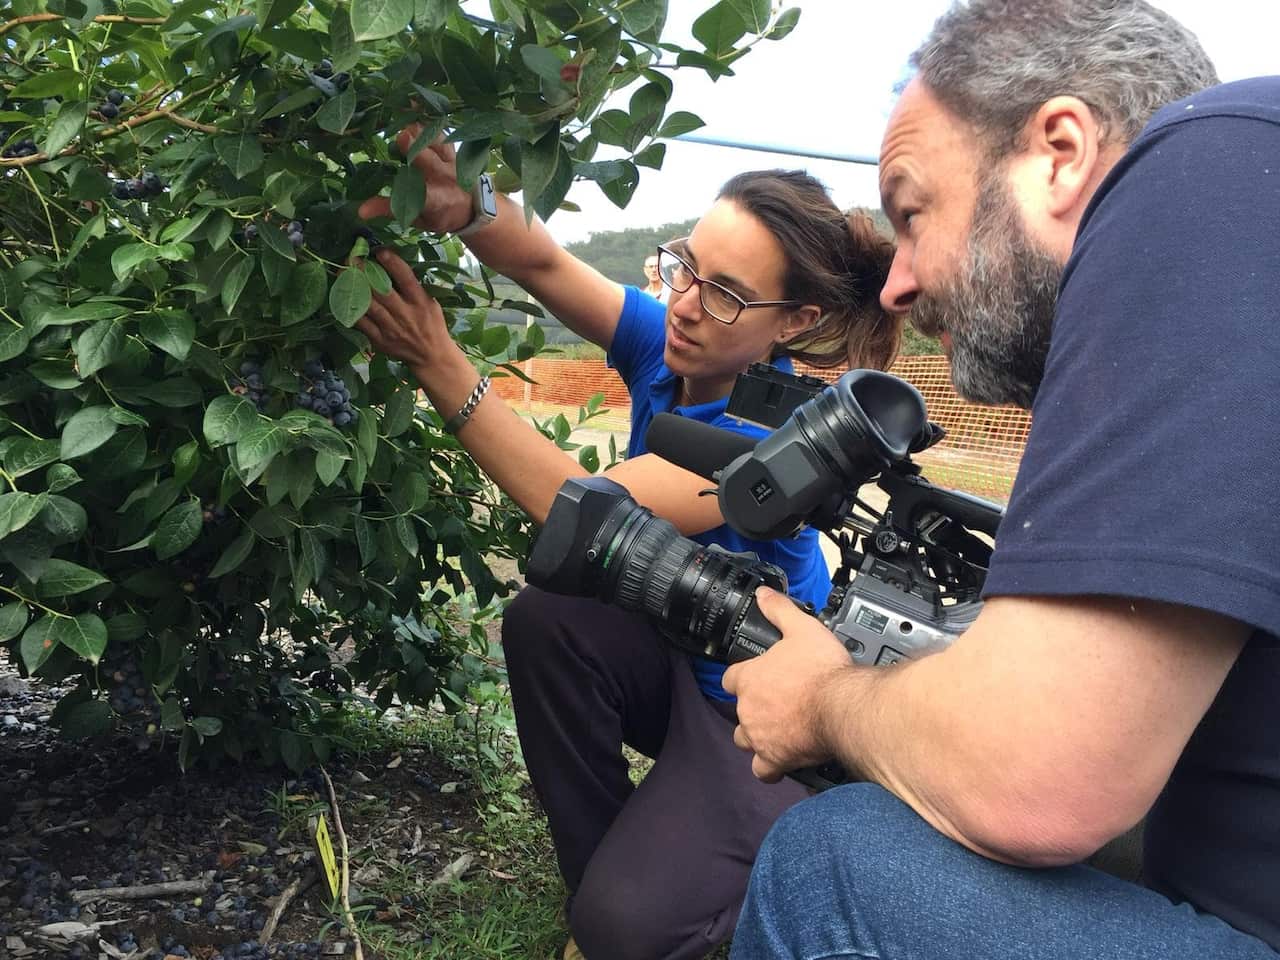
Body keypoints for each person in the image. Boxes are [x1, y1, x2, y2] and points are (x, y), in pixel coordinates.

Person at [722, 2, 1280, 958]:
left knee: (834, 865)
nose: (896, 284)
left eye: (911, 213)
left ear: (1061, 151)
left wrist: (820, 702)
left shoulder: (1214, 164)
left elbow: (1039, 775)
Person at [354, 146, 901, 959]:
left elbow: (581, 514)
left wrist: (439, 360)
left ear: (795, 322)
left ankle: (766, 850)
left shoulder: (777, 439)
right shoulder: (673, 345)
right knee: (550, 620)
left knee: (627, 929)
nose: (684, 304)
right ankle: (614, 877)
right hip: (675, 653)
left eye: (725, 295)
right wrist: (462, 201)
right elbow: (538, 256)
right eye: (685, 267)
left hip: (755, 715)